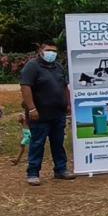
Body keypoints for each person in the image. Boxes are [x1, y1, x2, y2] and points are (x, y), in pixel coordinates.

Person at [20, 40, 75, 185]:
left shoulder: (58, 67)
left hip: (58, 113)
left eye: (54, 51)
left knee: (58, 142)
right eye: (49, 50)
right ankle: (33, 173)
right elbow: (26, 87)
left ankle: (61, 169)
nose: (52, 53)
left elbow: (65, 86)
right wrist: (31, 108)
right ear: (40, 51)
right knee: (38, 143)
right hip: (39, 114)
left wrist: (68, 103)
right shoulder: (32, 66)